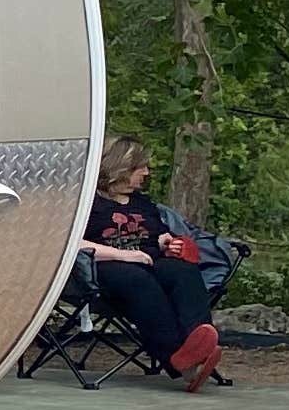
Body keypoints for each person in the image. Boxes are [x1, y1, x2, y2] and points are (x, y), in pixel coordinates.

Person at [82, 134, 223, 391]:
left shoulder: (142, 202)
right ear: (120, 167)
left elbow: (156, 235)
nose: (146, 172)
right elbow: (70, 244)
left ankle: (199, 347)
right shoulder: (86, 202)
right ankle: (180, 360)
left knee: (182, 271)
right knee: (137, 280)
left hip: (148, 260)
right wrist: (123, 255)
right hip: (103, 267)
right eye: (141, 167)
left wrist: (167, 242)